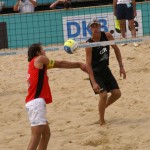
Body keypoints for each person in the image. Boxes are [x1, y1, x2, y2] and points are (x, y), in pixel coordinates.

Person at [25, 43, 87, 150]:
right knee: (35, 137)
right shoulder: (40, 59)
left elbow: (60, 65)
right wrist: (79, 64)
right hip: (36, 103)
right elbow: (60, 63)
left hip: (35, 103)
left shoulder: (35, 64)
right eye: (43, 50)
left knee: (46, 135)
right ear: (38, 53)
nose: (45, 52)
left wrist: (78, 65)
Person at [85, 18, 126, 126]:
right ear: (90, 28)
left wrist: (121, 66)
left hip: (105, 69)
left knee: (117, 94)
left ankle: (102, 108)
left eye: (96, 26)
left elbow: (117, 50)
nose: (95, 28)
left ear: (100, 26)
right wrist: (93, 82)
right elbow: (88, 64)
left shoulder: (107, 36)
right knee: (103, 95)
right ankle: (102, 121)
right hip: (95, 72)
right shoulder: (88, 44)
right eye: (92, 26)